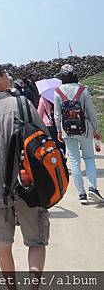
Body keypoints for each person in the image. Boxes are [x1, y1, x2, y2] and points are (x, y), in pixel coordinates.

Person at [0, 60, 50, 283]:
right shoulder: (23, 105)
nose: (7, 76)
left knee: (3, 243)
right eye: (4, 72)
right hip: (28, 185)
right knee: (36, 241)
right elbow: (44, 141)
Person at [54, 64, 104, 205]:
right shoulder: (83, 90)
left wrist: (58, 130)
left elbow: (57, 114)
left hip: (67, 130)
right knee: (89, 158)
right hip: (85, 129)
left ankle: (81, 194)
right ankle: (92, 188)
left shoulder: (58, 91)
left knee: (74, 160)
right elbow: (91, 111)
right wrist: (95, 128)